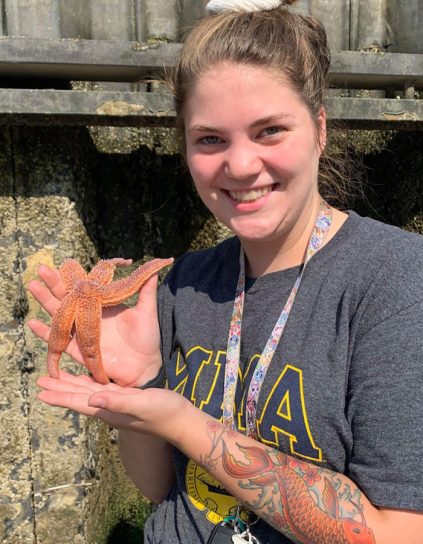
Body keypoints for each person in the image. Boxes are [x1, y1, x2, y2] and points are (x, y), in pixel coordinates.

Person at [28, 0, 423, 542]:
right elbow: (158, 487)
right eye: (210, 138)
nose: (239, 166)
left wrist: (183, 422)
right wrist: (137, 385)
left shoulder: (395, 282)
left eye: (270, 131)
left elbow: (399, 532)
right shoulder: (188, 280)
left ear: (321, 128)